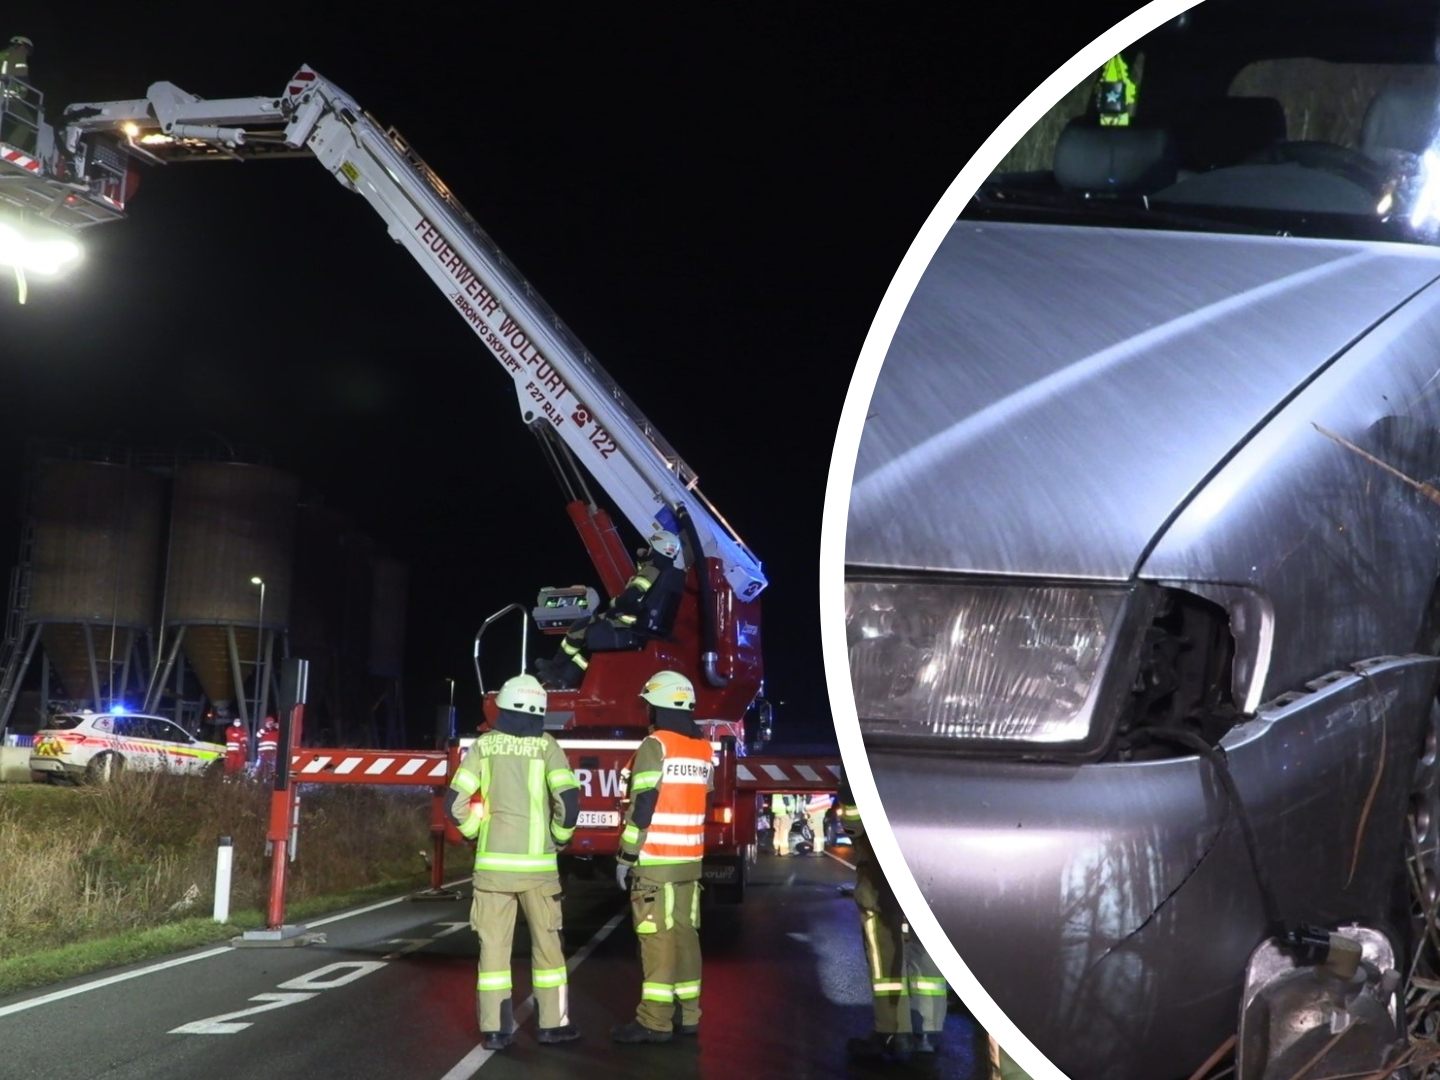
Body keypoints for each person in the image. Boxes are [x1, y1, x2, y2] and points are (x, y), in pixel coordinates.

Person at [447, 674, 581, 1050]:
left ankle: (496, 1030)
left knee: (493, 950)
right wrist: (559, 838)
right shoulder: (547, 746)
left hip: (493, 872)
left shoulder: (485, 747)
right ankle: (552, 1026)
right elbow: (569, 803)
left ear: (503, 707)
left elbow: (453, 804)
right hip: (539, 872)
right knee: (548, 950)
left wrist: (476, 832)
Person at [612, 670, 713, 1044]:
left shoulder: (656, 746)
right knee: (686, 935)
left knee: (657, 939)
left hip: (656, 860)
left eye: (649, 705)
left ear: (659, 707)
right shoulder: (703, 748)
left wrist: (626, 854)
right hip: (690, 861)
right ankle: (689, 1015)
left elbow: (643, 805)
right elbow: (704, 795)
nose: (647, 712)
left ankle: (654, 1021)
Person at [839, 770, 951, 1062]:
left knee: (884, 941)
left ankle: (893, 1032)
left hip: (882, 855)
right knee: (927, 940)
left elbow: (853, 815)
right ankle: (927, 1032)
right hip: (934, 846)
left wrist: (856, 829)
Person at [537, 529, 686, 690]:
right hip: (643, 627)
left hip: (628, 622)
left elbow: (630, 598)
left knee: (578, 628)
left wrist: (613, 604)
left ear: (656, 548)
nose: (647, 550)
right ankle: (564, 677)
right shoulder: (671, 575)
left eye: (650, 548)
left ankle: (555, 666)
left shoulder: (651, 570)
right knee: (590, 645)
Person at [805, 791, 832, 856]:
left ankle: (818, 850)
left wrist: (806, 809)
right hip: (821, 808)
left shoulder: (812, 787)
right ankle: (819, 849)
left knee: (817, 831)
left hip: (815, 809)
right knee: (819, 831)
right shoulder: (822, 787)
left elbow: (808, 798)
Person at [254, 715, 279, 780]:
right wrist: (263, 731)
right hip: (263, 752)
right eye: (269, 723)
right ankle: (255, 777)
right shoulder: (263, 731)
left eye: (271, 722)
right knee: (260, 765)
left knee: (272, 766)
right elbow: (258, 735)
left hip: (273, 752)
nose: (270, 724)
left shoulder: (276, 732)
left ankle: (271, 779)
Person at [770, 792, 796, 856]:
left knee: (777, 832)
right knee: (784, 833)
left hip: (777, 813)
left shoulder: (776, 791)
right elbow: (786, 799)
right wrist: (790, 811)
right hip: (785, 813)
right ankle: (784, 851)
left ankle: (776, 849)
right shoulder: (786, 789)